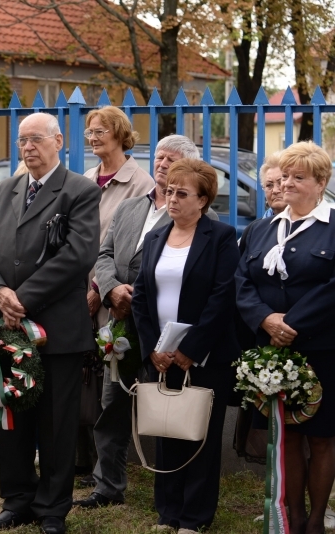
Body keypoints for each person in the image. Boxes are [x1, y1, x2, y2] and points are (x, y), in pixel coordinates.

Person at [0, 112, 101, 534]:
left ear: (58, 141)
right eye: (22, 140)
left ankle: (52, 508)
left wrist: (21, 299)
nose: (28, 148)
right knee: (12, 417)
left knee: (56, 423)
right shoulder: (2, 190)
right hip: (6, 325)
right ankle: (17, 500)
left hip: (56, 330)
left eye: (36, 139)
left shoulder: (79, 191)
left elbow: (78, 255)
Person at [74, 135, 219, 510]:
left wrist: (135, 294)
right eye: (158, 157)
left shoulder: (204, 219)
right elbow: (104, 254)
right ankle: (108, 486)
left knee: (169, 407)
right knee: (112, 405)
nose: (162, 164)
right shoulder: (130, 206)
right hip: (122, 325)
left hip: (167, 331)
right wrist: (111, 289)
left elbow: (198, 277)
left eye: (172, 159)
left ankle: (178, 493)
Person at [131, 159, 239, 533]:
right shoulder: (155, 237)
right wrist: (152, 348)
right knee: (167, 431)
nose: (172, 199)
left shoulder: (221, 237)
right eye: (169, 191)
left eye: (182, 193)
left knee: (200, 437)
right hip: (162, 355)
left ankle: (194, 517)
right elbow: (140, 297)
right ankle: (168, 511)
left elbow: (223, 297)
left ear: (203, 200)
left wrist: (191, 348)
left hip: (204, 356)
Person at [236, 141, 335, 534]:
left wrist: (290, 323)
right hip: (271, 351)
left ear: (321, 183)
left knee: (323, 438)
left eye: (299, 177)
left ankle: (316, 520)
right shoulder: (261, 229)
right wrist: (264, 320)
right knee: (286, 436)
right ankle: (291, 515)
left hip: (322, 349)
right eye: (285, 176)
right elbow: (241, 281)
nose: (287, 184)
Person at [79, 106, 154, 485]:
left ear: (121, 134)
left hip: (111, 297)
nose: (93, 138)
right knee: (80, 376)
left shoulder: (141, 183)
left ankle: (106, 470)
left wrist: (98, 289)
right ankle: (80, 459)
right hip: (75, 292)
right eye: (89, 132)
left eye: (100, 131)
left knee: (109, 382)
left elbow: (124, 248)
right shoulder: (85, 179)